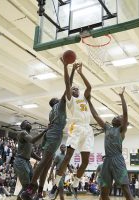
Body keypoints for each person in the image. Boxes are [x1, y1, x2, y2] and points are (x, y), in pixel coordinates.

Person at [20, 59, 78, 200]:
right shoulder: (60, 105)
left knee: (46, 163)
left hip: (51, 134)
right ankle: (31, 188)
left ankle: (39, 191)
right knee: (44, 161)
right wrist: (71, 69)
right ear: (56, 102)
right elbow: (68, 85)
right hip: (55, 134)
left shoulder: (52, 111)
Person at [50, 61, 94, 200]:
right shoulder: (70, 100)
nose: (74, 90)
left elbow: (89, 86)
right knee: (68, 157)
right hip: (76, 127)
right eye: (73, 89)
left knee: (85, 161)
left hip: (87, 129)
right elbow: (67, 84)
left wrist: (81, 73)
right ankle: (56, 184)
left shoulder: (85, 99)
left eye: (76, 89)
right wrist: (68, 68)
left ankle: (75, 184)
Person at [87, 87, 134, 200]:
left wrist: (122, 97)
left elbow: (125, 113)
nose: (115, 117)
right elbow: (96, 116)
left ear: (123, 122)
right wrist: (89, 101)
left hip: (117, 159)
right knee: (103, 194)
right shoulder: (107, 128)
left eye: (118, 117)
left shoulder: (121, 130)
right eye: (116, 116)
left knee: (125, 190)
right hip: (107, 160)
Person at [13, 120, 47, 200]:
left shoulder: (28, 137)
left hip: (26, 161)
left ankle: (20, 198)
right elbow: (33, 140)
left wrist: (42, 159)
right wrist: (44, 131)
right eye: (26, 122)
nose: (29, 123)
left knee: (34, 185)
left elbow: (31, 153)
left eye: (29, 122)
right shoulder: (23, 133)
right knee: (28, 187)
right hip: (20, 161)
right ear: (23, 126)